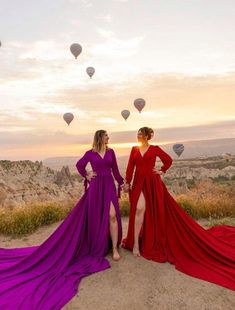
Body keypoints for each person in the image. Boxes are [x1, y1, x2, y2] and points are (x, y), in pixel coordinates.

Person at [0, 129, 124, 309]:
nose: (108, 138)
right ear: (100, 137)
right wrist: (88, 175)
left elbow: (116, 172)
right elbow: (79, 165)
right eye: (106, 135)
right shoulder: (90, 153)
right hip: (96, 188)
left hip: (109, 186)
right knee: (97, 219)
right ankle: (98, 244)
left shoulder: (111, 152)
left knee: (112, 216)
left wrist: (123, 183)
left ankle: (114, 249)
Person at [122, 126, 235, 291]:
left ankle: (144, 243)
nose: (138, 135)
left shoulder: (155, 149)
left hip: (153, 183)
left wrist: (161, 170)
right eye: (137, 133)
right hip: (139, 182)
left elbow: (168, 160)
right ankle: (136, 245)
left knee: (147, 211)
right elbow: (130, 168)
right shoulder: (133, 149)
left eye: (140, 133)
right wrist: (126, 182)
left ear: (147, 136)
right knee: (139, 209)